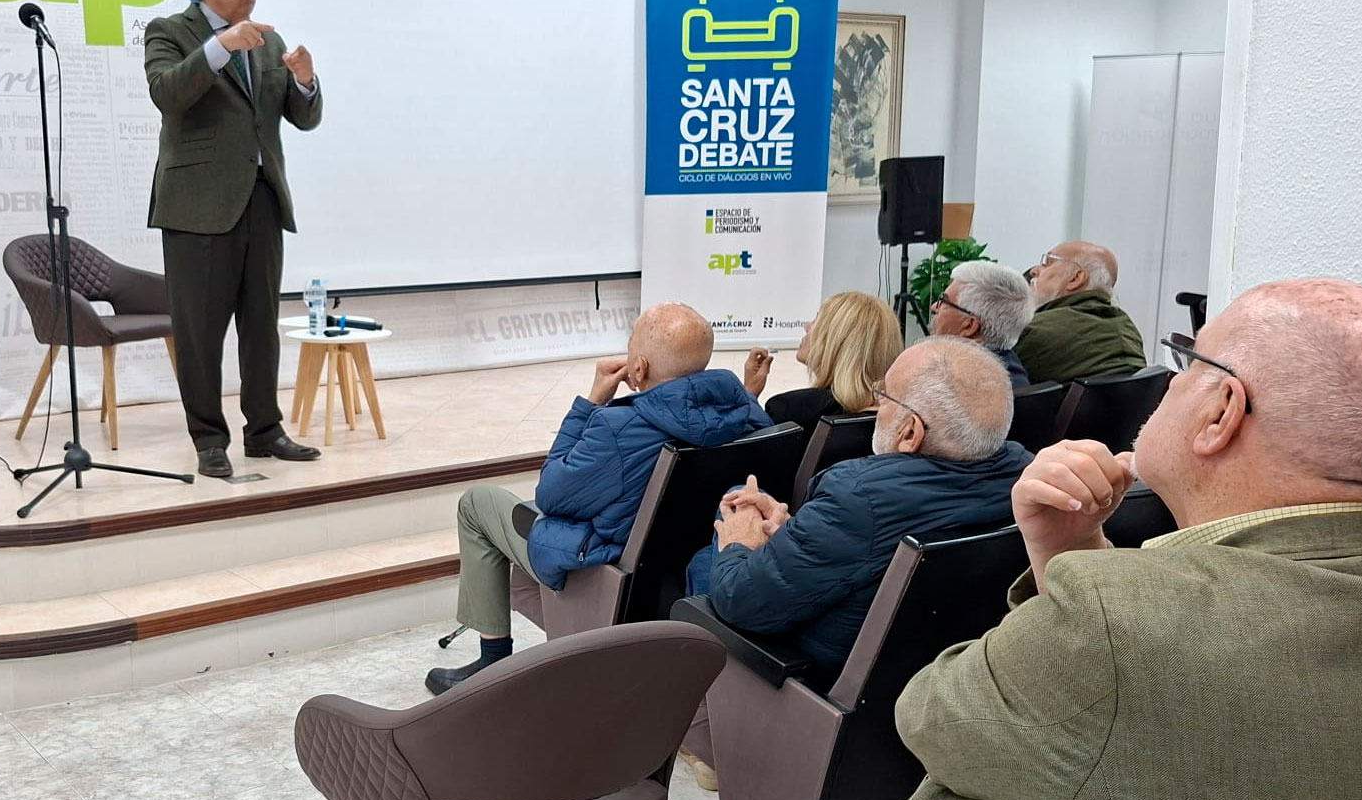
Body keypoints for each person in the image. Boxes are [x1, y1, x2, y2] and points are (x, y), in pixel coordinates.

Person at [669, 278, 1362, 800]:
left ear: (1221, 411)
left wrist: (1077, 575)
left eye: (1187, 360)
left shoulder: (1124, 621)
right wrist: (1070, 552)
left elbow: (932, 720)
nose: (1165, 382)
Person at [425, 304, 769, 694]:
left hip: (608, 568)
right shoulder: (747, 412)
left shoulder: (617, 428)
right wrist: (749, 393)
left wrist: (589, 404)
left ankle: (492, 663)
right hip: (677, 568)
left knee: (477, 503)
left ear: (638, 369)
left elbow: (551, 494)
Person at [690, 337, 1029, 684]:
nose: (876, 402)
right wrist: (797, 530)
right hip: (927, 673)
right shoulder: (1027, 482)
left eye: (885, 395)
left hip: (809, 686)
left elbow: (741, 601)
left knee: (708, 557)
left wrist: (739, 544)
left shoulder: (859, 499)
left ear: (910, 432)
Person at [143, 0, 323, 479]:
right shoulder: (170, 32)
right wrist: (222, 47)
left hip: (262, 198)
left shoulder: (269, 42)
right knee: (199, 332)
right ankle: (208, 438)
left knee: (261, 325)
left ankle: (265, 431)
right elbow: (167, 93)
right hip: (197, 206)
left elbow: (302, 117)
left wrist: (306, 81)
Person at [740, 292, 903, 428]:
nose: (806, 326)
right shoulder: (900, 420)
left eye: (816, 320)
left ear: (835, 341)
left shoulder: (790, 411)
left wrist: (747, 397)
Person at [1013, 240, 1146, 384]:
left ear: (1075, 279)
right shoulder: (1127, 328)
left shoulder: (1033, 332)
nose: (1034, 271)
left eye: (1047, 262)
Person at [928, 261, 1034, 388]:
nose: (934, 307)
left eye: (944, 301)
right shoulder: (1013, 374)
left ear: (969, 326)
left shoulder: (952, 387)